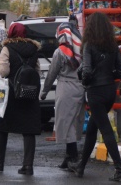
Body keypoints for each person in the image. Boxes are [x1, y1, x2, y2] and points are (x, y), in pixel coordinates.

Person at [69, 12, 121, 181]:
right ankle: (80, 167)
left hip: (95, 92)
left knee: (105, 129)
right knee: (93, 129)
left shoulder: (89, 45)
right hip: (110, 91)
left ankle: (120, 168)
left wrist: (86, 81)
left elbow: (86, 70)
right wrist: (109, 75)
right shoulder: (112, 45)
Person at [0, 22, 41, 176]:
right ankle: (27, 166)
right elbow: (36, 71)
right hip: (29, 92)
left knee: (1, 126)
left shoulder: (7, 48)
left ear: (10, 33)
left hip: (11, 93)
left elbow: (3, 72)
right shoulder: (34, 49)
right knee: (29, 130)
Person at [40, 22, 85, 169]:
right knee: (74, 121)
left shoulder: (60, 52)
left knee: (66, 123)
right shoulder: (82, 50)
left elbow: (52, 74)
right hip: (80, 88)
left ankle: (73, 157)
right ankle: (68, 157)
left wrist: (44, 92)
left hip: (65, 88)